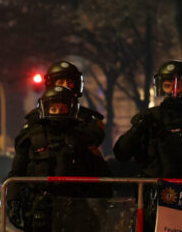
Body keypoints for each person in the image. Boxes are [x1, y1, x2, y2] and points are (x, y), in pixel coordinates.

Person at [113, 60, 182, 232]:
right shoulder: (148, 118)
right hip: (151, 199)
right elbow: (121, 153)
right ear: (161, 87)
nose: (174, 89)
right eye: (168, 84)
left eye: (179, 84)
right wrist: (137, 129)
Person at [7, 86, 110, 232]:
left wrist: (103, 203)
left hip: (76, 206)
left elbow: (100, 173)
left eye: (62, 109)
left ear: (71, 109)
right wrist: (13, 202)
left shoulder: (82, 138)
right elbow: (17, 172)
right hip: (40, 206)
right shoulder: (32, 138)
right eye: (54, 109)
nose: (58, 114)